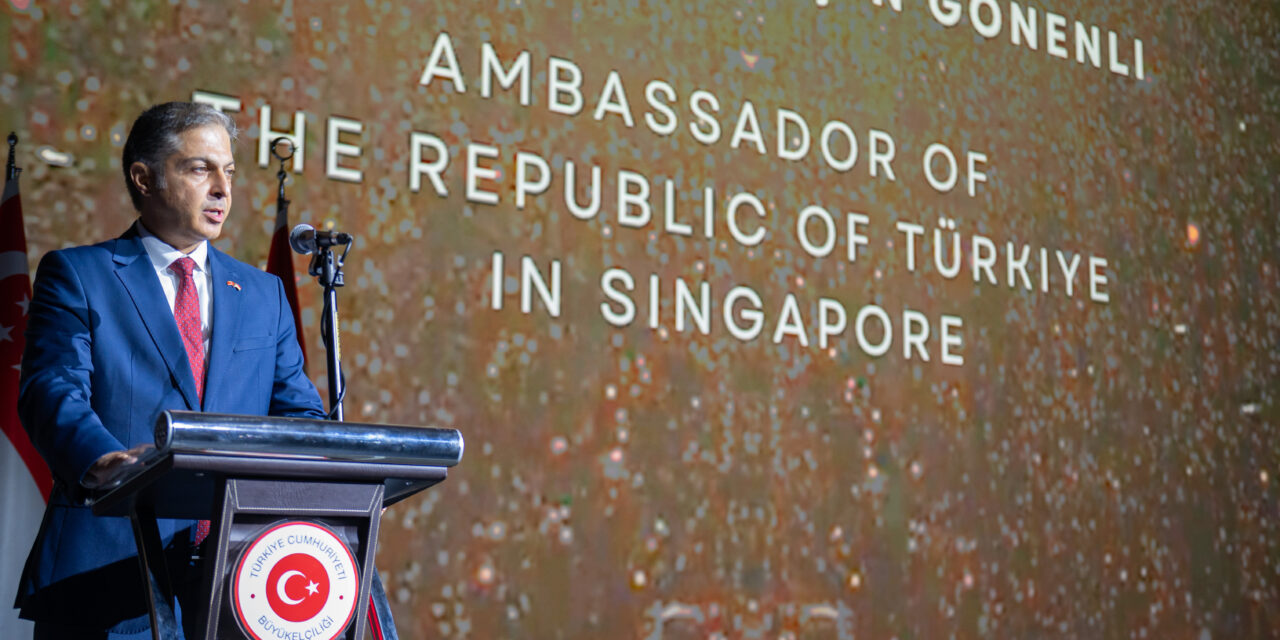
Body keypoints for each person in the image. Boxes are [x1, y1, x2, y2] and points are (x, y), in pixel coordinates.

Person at [12, 102, 325, 639]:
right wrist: (103, 460)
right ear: (145, 177)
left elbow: (299, 412)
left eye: (229, 171)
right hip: (108, 578)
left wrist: (333, 471)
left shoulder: (262, 293)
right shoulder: (80, 274)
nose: (223, 189)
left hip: (238, 584)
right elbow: (51, 388)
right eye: (200, 169)